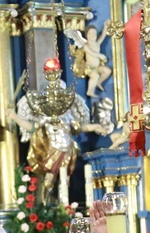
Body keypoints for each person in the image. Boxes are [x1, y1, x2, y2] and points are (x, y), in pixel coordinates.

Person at [8, 58, 108, 204]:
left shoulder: (67, 115)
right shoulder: (45, 113)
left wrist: (95, 127)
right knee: (49, 179)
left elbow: (78, 128)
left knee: (65, 180)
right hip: (51, 148)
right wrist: (14, 116)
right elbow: (32, 127)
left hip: (67, 149)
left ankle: (64, 207)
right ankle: (46, 206)